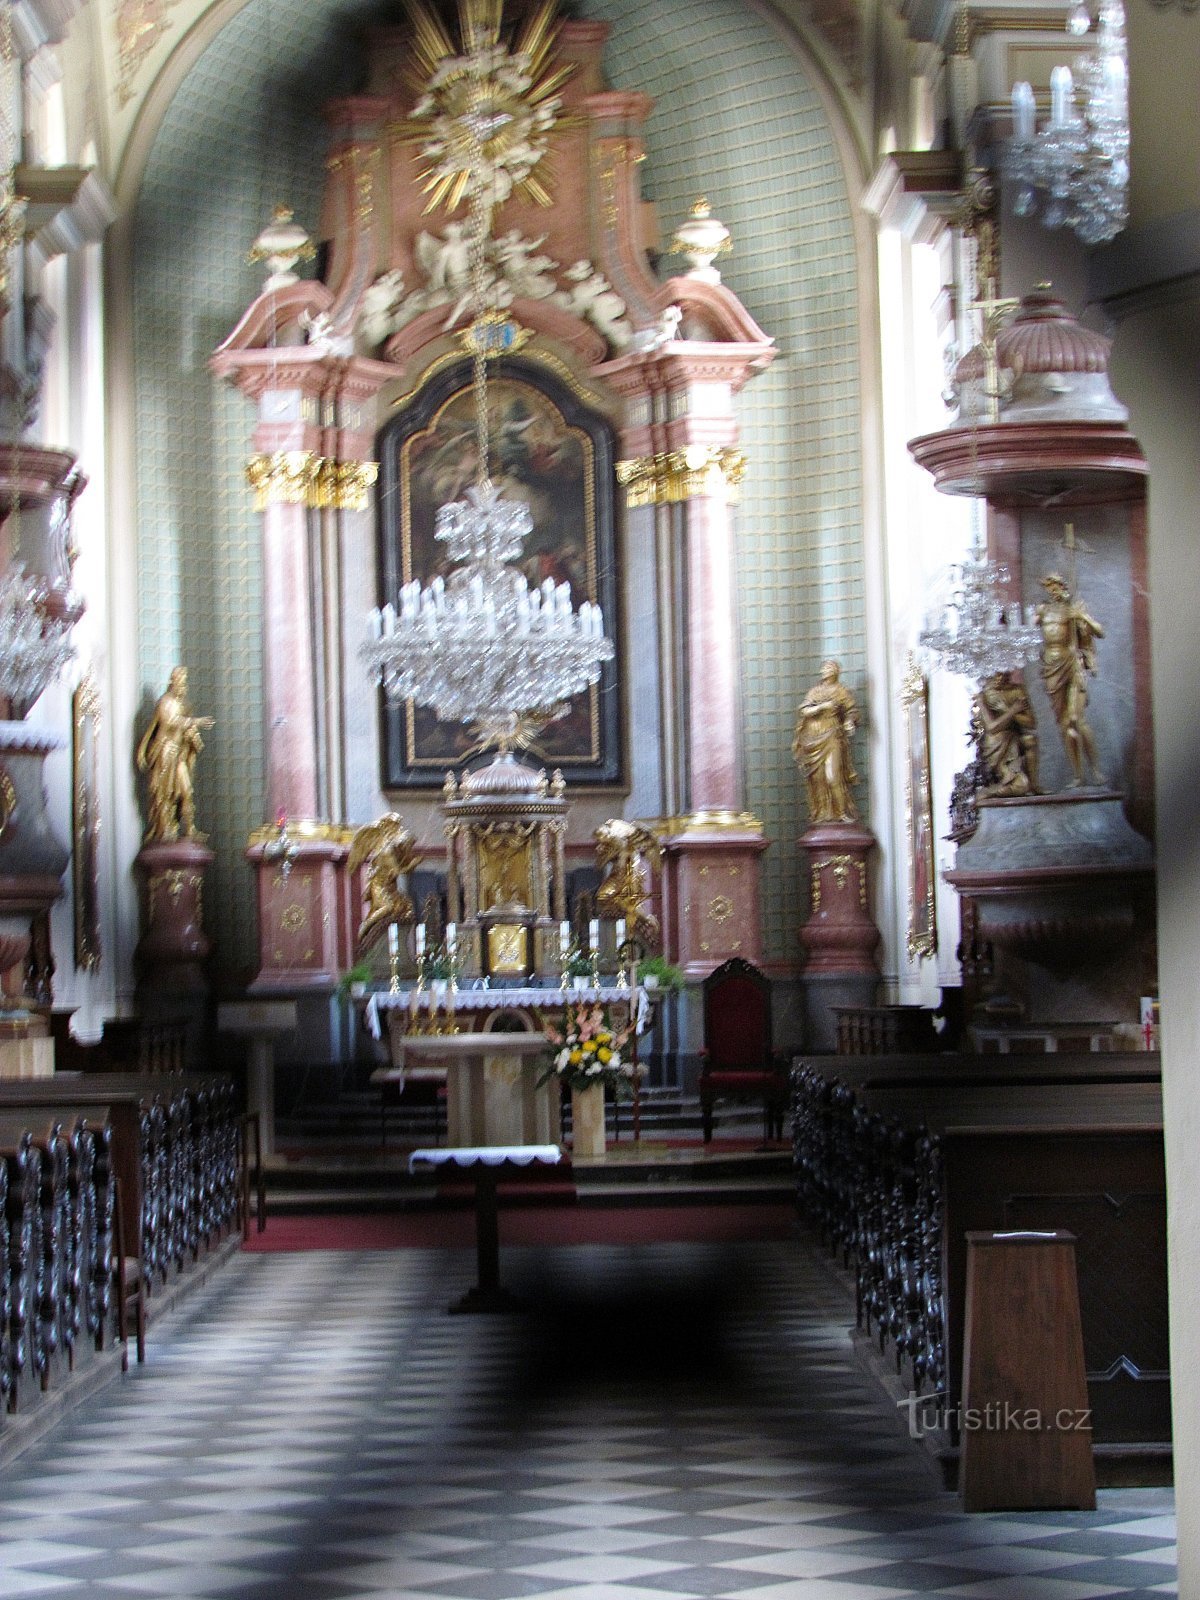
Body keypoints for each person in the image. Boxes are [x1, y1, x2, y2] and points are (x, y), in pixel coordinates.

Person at [1036, 573, 1105, 786]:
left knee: (1077, 719)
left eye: (1055, 585)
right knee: (1065, 724)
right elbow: (1023, 634)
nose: (1052, 590)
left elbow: (1099, 632)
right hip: (1051, 667)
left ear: (1062, 586)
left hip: (1072, 665)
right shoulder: (1042, 610)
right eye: (1049, 586)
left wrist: (1081, 616)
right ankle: (1077, 775)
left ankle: (1095, 770)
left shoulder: (1074, 608)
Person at [135, 666, 213, 841]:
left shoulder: (182, 704)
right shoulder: (165, 702)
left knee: (187, 790)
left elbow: (184, 727)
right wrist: (196, 722)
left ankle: (190, 829)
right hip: (165, 752)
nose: (184, 686)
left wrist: (193, 735)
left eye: (185, 683)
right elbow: (171, 722)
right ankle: (165, 829)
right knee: (165, 793)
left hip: (179, 755)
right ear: (174, 683)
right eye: (182, 683)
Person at [793, 659, 860, 824]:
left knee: (833, 776)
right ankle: (823, 815)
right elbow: (803, 710)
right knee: (818, 779)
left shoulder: (841, 691)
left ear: (837, 671)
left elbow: (852, 710)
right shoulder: (815, 692)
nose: (827, 669)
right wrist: (822, 707)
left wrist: (849, 721)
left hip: (832, 735)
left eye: (831, 667)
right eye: (825, 667)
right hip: (813, 738)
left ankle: (842, 813)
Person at [974, 671, 1040, 796]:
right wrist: (1013, 710)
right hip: (997, 743)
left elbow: (1031, 723)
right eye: (995, 674)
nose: (999, 678)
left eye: (1002, 673)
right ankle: (993, 791)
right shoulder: (984, 695)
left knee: (1030, 740)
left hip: (1014, 736)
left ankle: (1034, 785)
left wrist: (1012, 715)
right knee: (1020, 786)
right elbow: (992, 727)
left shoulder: (1017, 691)